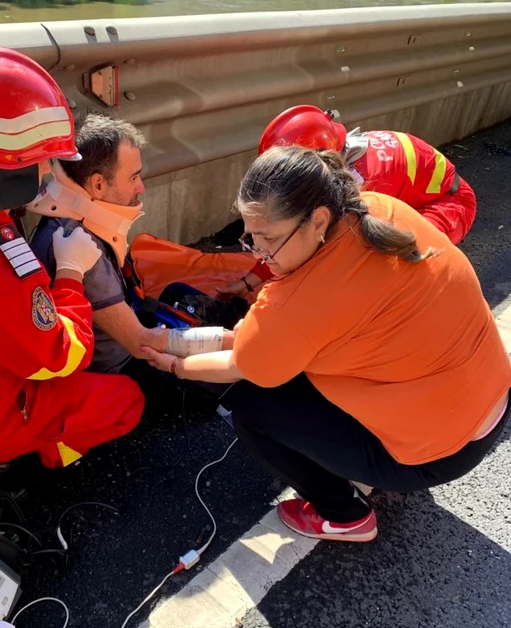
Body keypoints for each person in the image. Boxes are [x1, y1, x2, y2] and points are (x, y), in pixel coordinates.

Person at [143, 146, 511, 542]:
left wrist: (173, 364)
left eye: (268, 239)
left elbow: (241, 364)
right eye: (250, 237)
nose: (260, 254)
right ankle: (366, 459)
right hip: (490, 400)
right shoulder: (377, 208)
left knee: (251, 408)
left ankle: (345, 516)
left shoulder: (300, 301)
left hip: (440, 453)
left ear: (317, 219)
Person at [0, 47, 145, 473]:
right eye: (44, 161)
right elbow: (60, 357)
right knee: (124, 400)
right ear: (11, 166)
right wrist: (71, 274)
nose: (50, 173)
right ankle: (37, 460)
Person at [29, 114, 239, 373]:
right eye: (133, 177)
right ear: (98, 184)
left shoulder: (68, 224)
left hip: (121, 341)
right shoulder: (77, 243)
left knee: (177, 291)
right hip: (122, 368)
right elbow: (141, 343)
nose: (141, 188)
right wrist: (238, 342)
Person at [218, 105, 477, 299]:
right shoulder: (335, 153)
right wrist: (250, 282)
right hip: (419, 193)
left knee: (380, 269)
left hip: (448, 205)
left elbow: (319, 247)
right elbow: (288, 239)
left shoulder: (367, 186)